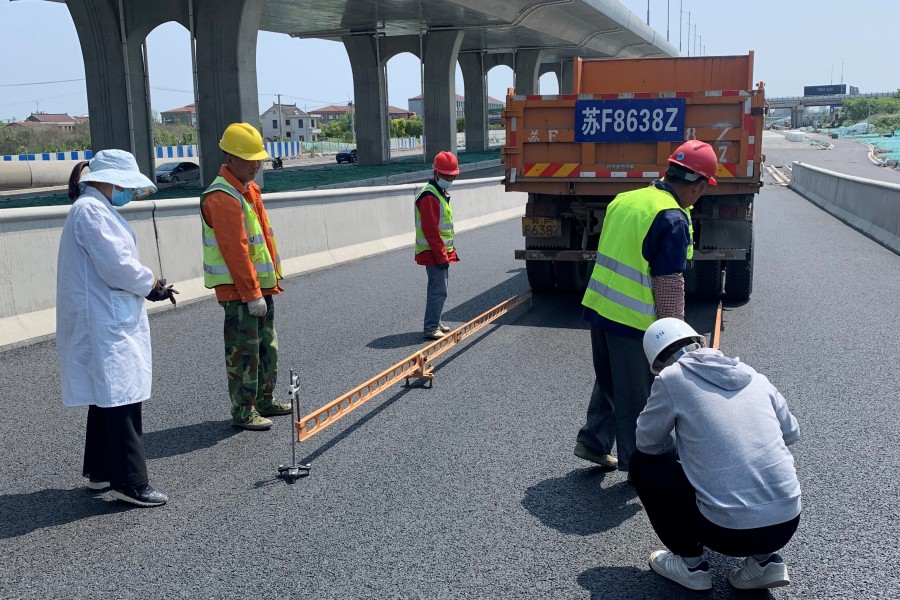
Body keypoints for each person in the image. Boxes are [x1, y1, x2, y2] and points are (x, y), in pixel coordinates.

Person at [574, 141, 718, 473]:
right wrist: (675, 342)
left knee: (611, 379)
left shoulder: (626, 199)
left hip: (600, 308)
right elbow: (668, 283)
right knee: (638, 396)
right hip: (634, 320)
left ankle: (594, 442)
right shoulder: (671, 217)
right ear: (696, 184)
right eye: (702, 189)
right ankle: (640, 469)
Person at [630, 318, 801, 591]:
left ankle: (691, 565)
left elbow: (647, 443)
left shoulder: (670, 379)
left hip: (726, 534)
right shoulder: (756, 377)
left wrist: (686, 454)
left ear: (658, 366)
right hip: (786, 523)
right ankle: (764, 561)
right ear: (703, 343)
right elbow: (791, 434)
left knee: (643, 465)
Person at [56, 149, 178, 508]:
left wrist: (146, 286)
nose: (128, 192)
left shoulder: (91, 208)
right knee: (122, 395)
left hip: (103, 314)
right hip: (104, 318)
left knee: (105, 394)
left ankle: (101, 471)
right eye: (125, 185)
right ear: (107, 180)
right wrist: (152, 283)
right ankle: (131, 482)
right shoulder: (91, 211)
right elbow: (118, 266)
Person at [200, 122, 290, 431]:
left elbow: (260, 239)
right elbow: (234, 250)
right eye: (249, 158)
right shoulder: (221, 196)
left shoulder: (249, 190)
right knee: (244, 355)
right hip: (240, 291)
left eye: (259, 158)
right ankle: (243, 411)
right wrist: (251, 293)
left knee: (267, 348)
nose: (256, 165)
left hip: (260, 287)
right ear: (229, 158)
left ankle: (264, 400)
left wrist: (268, 284)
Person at [415, 150, 460, 340]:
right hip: (433, 252)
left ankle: (436, 321)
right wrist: (442, 256)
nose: (450, 178)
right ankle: (431, 326)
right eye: (446, 175)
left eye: (452, 176)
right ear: (436, 173)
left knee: (440, 290)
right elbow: (431, 231)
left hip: (439, 251)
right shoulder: (429, 195)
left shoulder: (438, 192)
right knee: (438, 290)